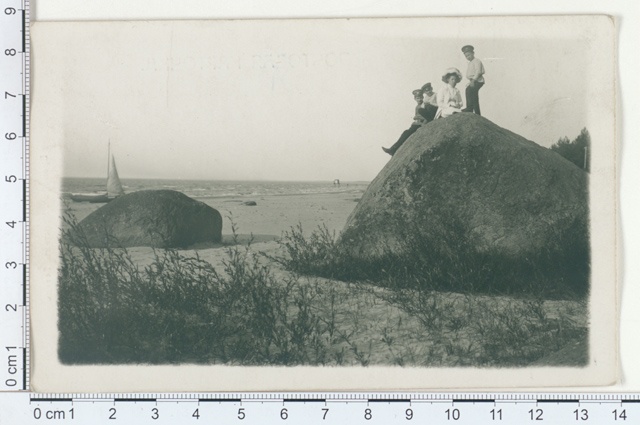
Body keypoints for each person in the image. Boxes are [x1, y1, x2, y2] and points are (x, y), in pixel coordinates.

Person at [382, 89, 426, 155]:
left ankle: (393, 149)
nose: (419, 99)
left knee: (406, 133)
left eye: (420, 97)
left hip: (420, 124)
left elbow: (425, 116)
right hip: (416, 124)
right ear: (415, 99)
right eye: (417, 98)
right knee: (405, 132)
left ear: (423, 97)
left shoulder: (424, 104)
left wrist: (417, 118)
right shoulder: (417, 106)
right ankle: (393, 149)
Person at [460, 44, 485, 115]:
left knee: (469, 90)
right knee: (473, 95)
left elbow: (478, 72)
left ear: (473, 53)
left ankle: (470, 108)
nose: (468, 57)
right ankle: (476, 111)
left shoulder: (477, 61)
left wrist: (473, 80)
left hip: (477, 80)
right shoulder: (470, 63)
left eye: (469, 55)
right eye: (466, 56)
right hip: (472, 80)